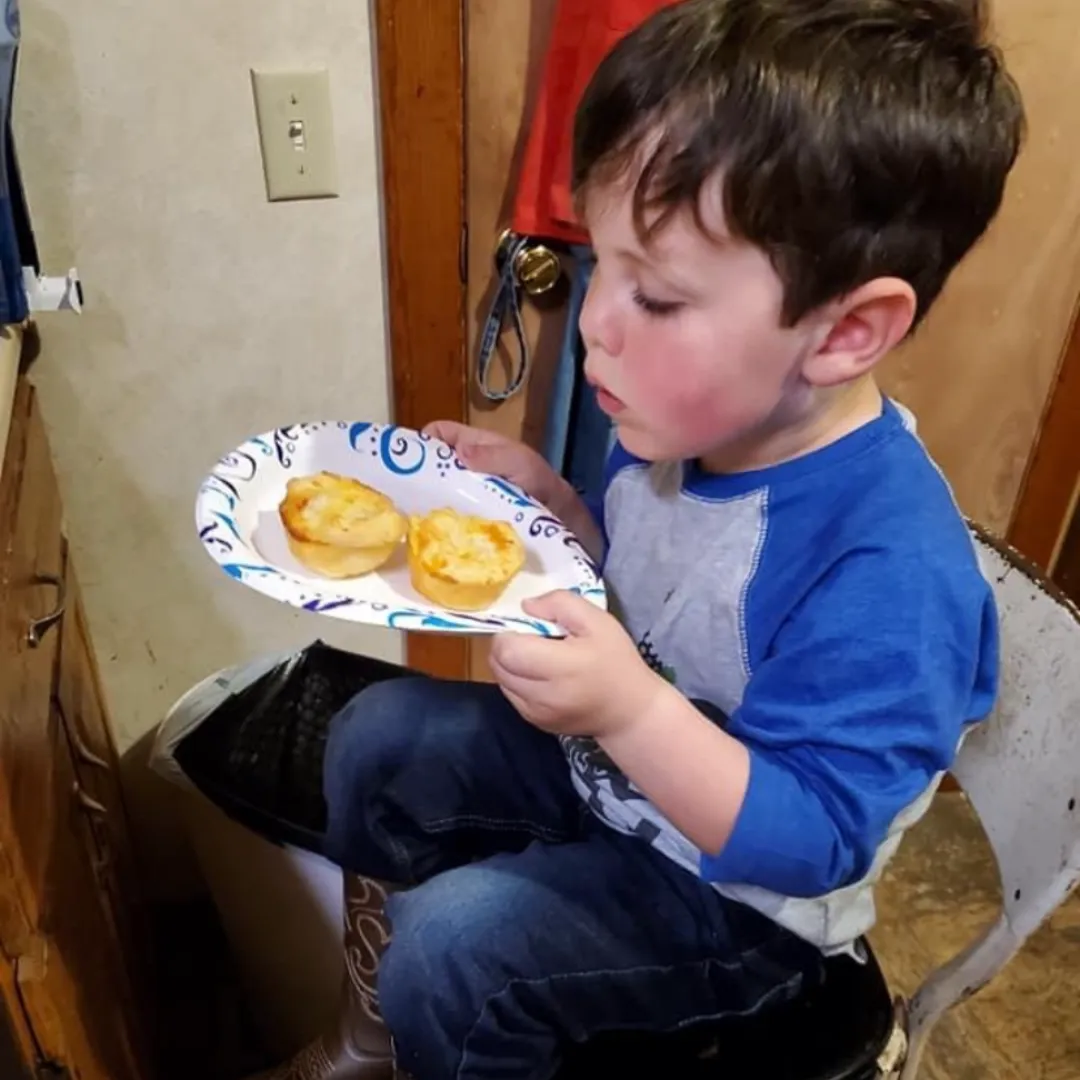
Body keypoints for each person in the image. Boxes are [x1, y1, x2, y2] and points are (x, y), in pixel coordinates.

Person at [255, 2, 1025, 1078]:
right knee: (379, 734)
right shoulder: (678, 428)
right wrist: (556, 515)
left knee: (454, 950)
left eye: (656, 295)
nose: (598, 323)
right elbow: (650, 581)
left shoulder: (889, 570)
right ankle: (382, 1030)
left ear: (847, 331)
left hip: (738, 906)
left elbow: (812, 843)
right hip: (609, 782)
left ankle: (457, 1021)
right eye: (600, 266)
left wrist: (624, 705)